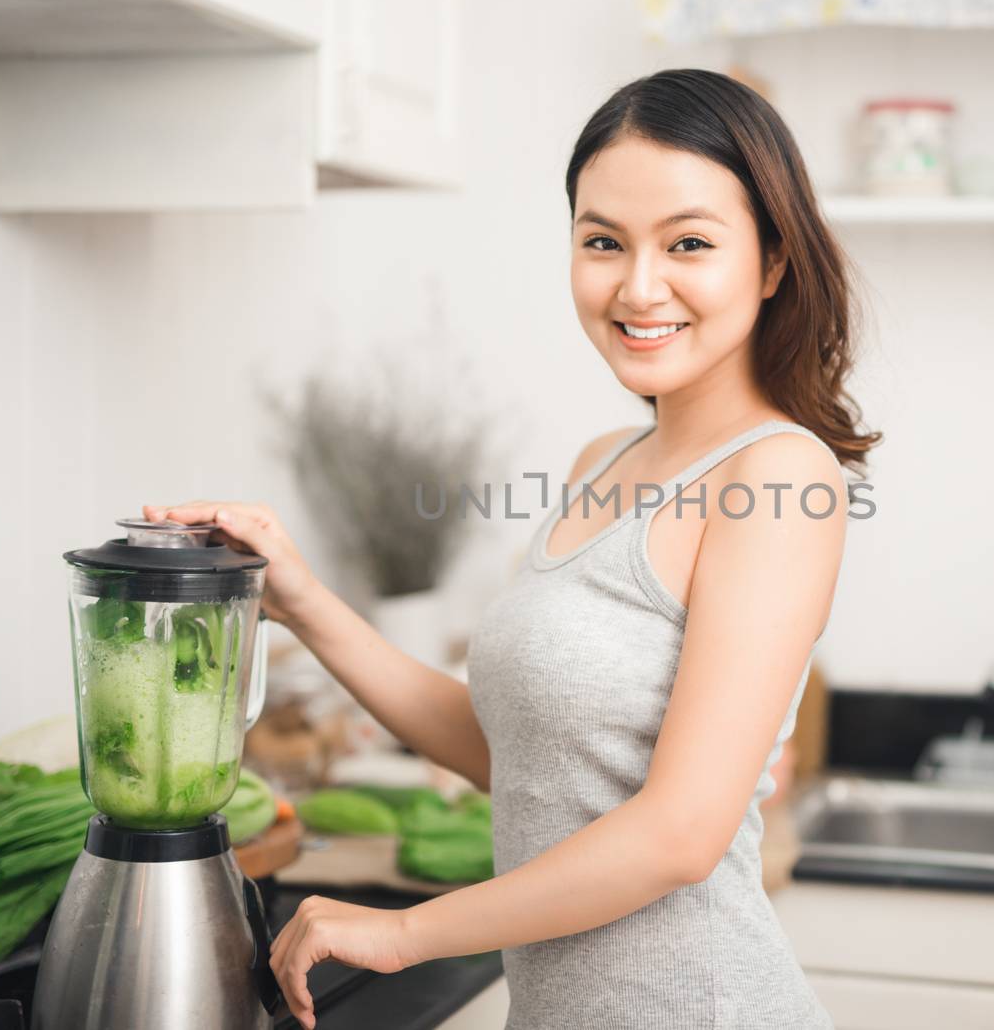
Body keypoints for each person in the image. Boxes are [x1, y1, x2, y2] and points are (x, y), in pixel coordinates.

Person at [144, 68, 879, 1030]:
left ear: (774, 262)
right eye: (602, 242)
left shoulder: (781, 475)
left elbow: (682, 835)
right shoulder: (603, 460)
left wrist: (404, 933)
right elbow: (520, 758)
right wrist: (306, 601)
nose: (638, 285)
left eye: (689, 243)